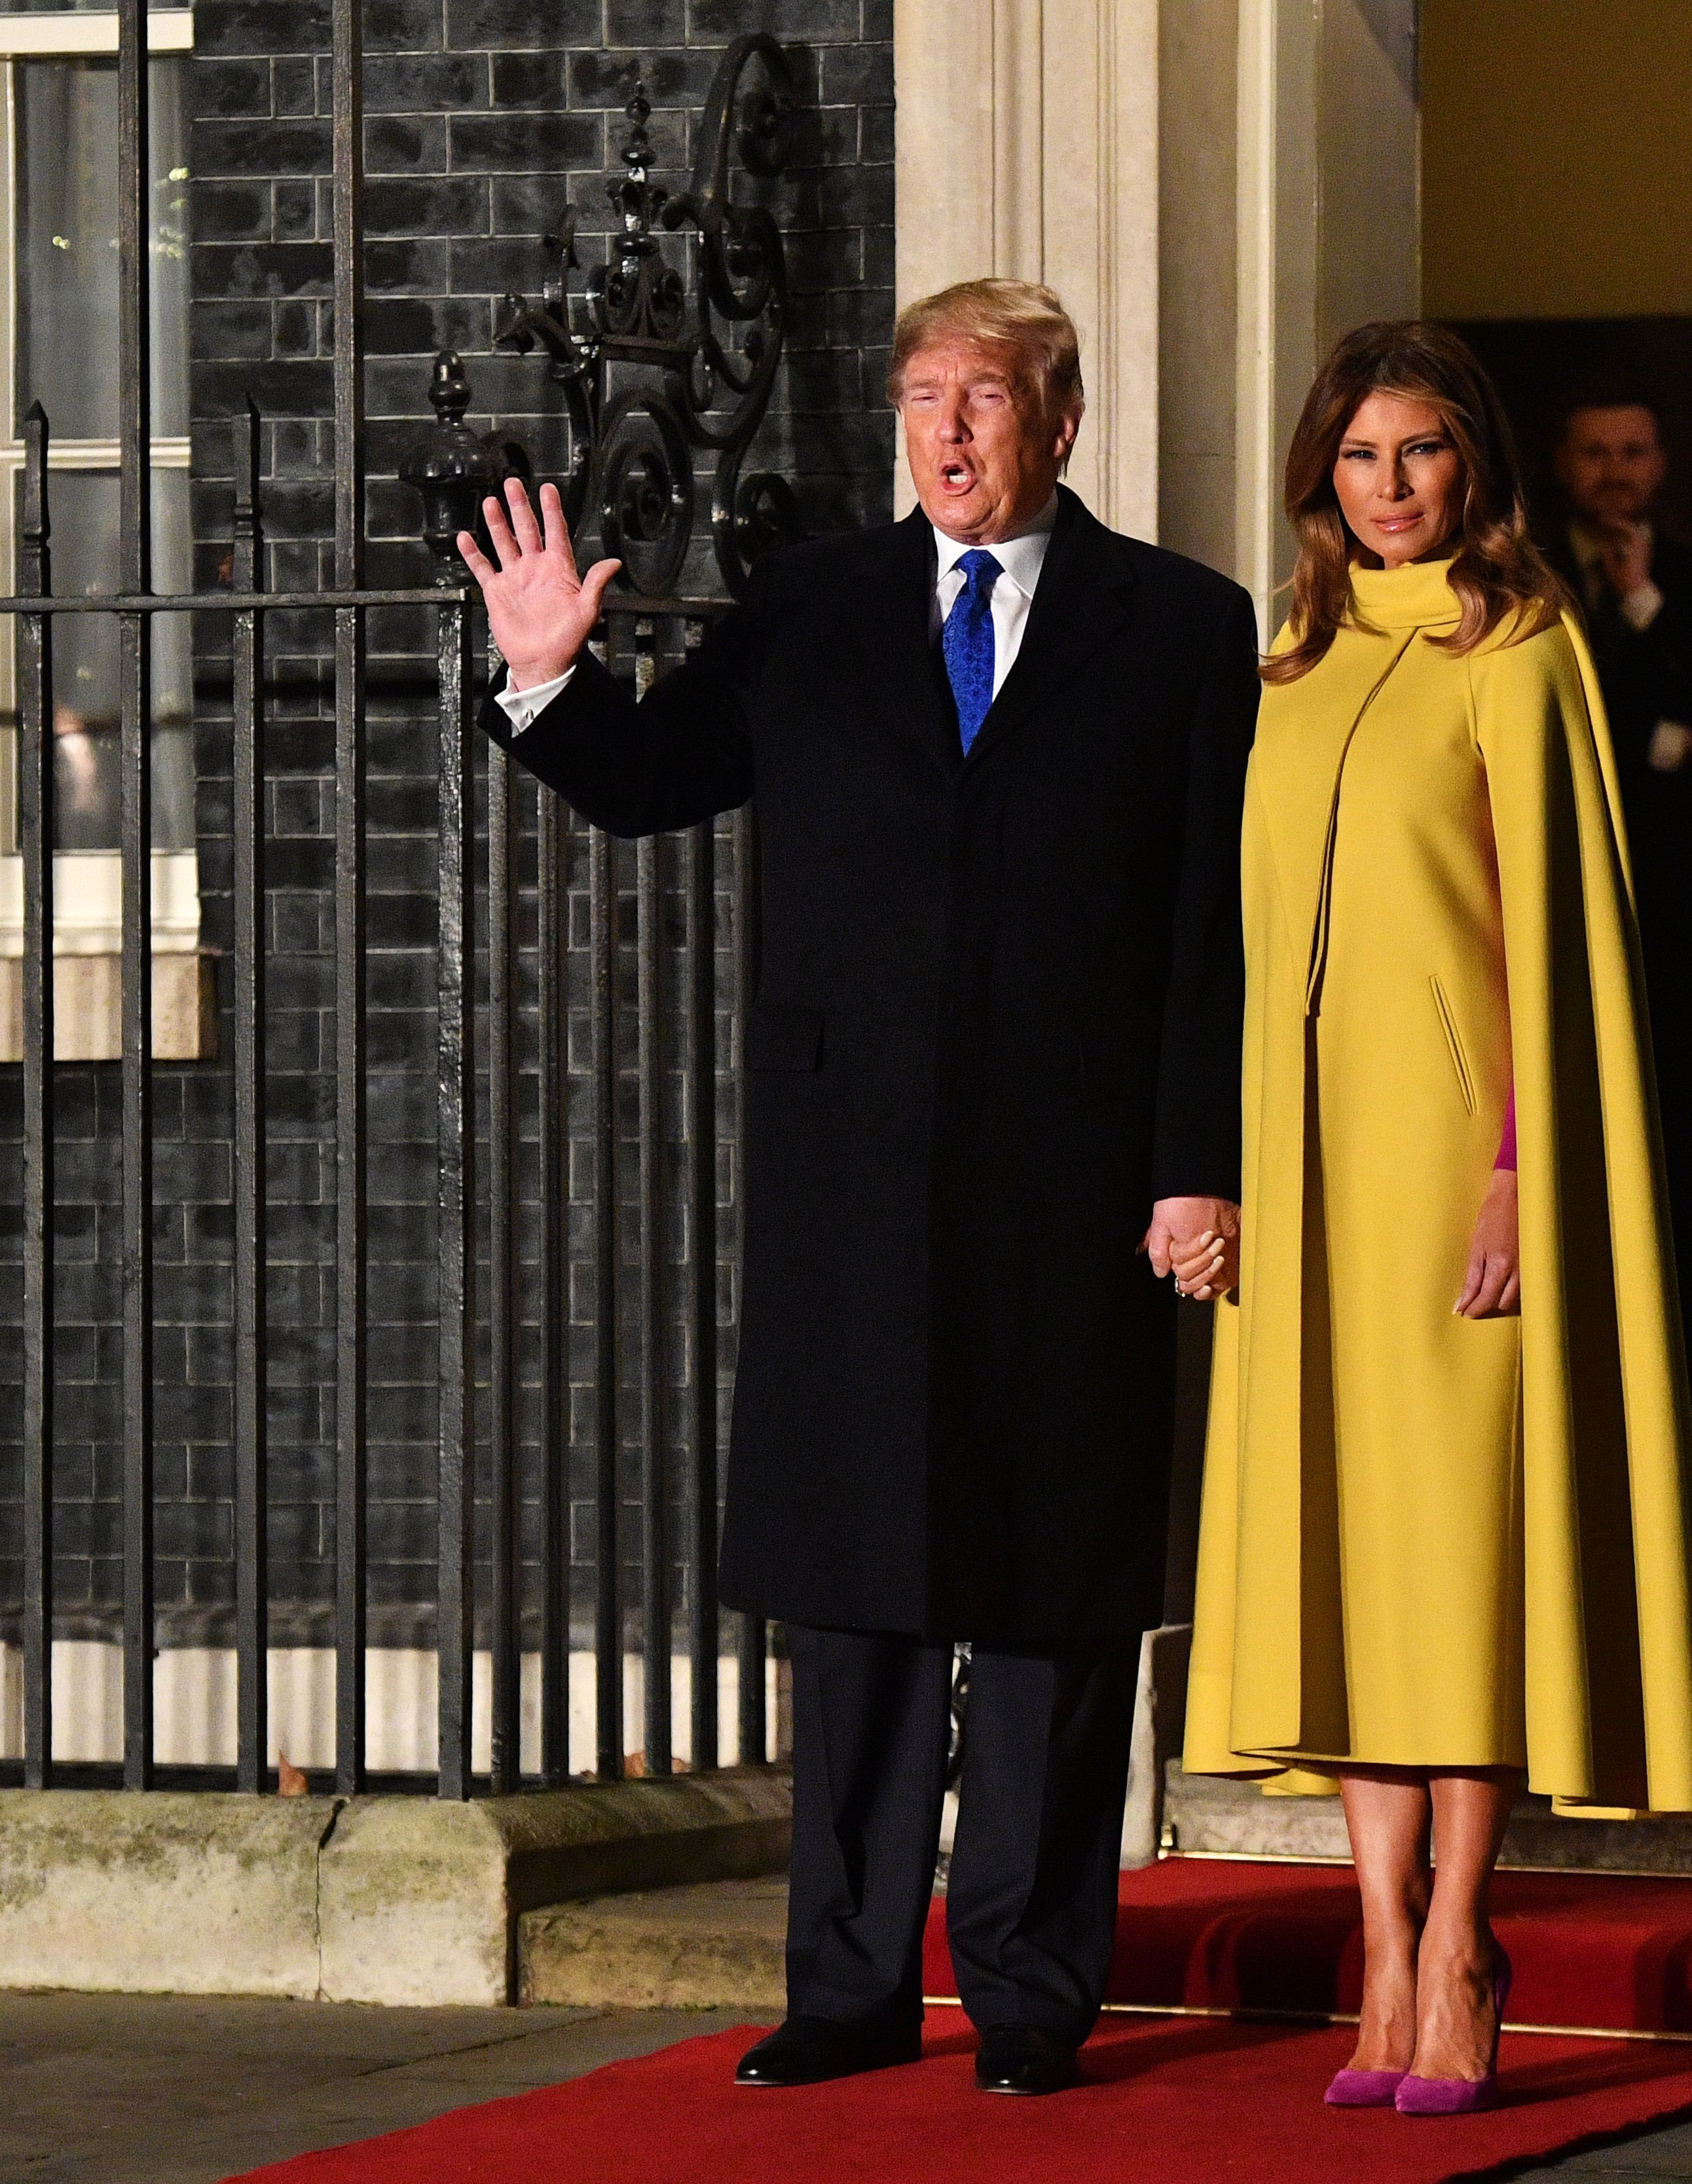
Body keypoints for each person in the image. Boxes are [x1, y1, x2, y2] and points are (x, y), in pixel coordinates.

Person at [460, 279, 1258, 2100]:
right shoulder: (814, 604)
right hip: (853, 1185)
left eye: (984, 399)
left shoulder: (1180, 628)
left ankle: (1033, 1995)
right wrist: (544, 676)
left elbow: (1210, 924)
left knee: (1051, 1596)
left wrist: (1190, 1169)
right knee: (862, 1591)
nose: (949, 434)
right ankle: (843, 1990)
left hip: (1079, 1192)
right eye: (920, 401)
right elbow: (653, 782)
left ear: (1061, 418)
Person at [1182, 322, 1692, 2117]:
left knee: (1453, 1562)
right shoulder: (1288, 664)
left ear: (1469, 467)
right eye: (1356, 457)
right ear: (1318, 477)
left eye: (1417, 453)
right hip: (1308, 1181)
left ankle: (1463, 1937)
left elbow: (1555, 950)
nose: (1387, 487)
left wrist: (1514, 1168)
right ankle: (1378, 1936)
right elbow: (1243, 950)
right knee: (1344, 1553)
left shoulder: (1526, 644)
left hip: (1451, 1180)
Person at [1540, 394, 1692, 1521]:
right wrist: (1659, 739)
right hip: (1559, 911)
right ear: (1565, 461)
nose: (1616, 470)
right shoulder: (1525, 581)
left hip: (1682, 923)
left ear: (1663, 461)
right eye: (1597, 451)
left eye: (1634, 450)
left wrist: (1639, 609)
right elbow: (1578, 733)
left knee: (1686, 1179)